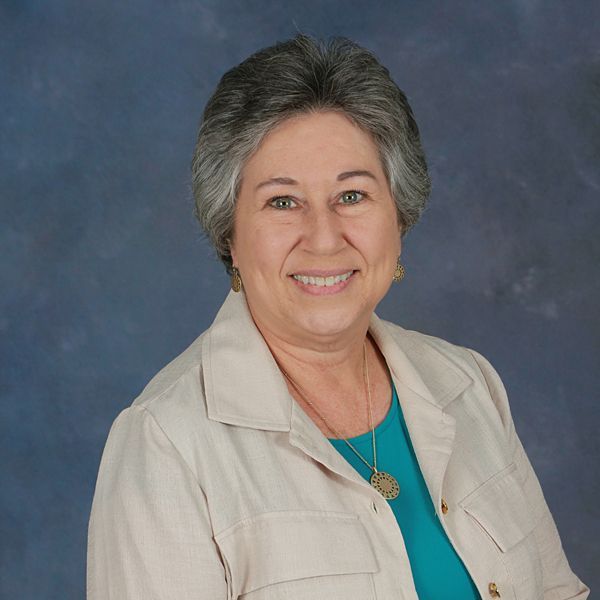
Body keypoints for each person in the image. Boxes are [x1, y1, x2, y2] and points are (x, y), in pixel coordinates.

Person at [87, 34, 589, 599]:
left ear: (399, 216)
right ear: (229, 230)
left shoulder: (467, 383)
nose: (324, 238)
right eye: (282, 201)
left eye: (352, 195)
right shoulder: (165, 444)